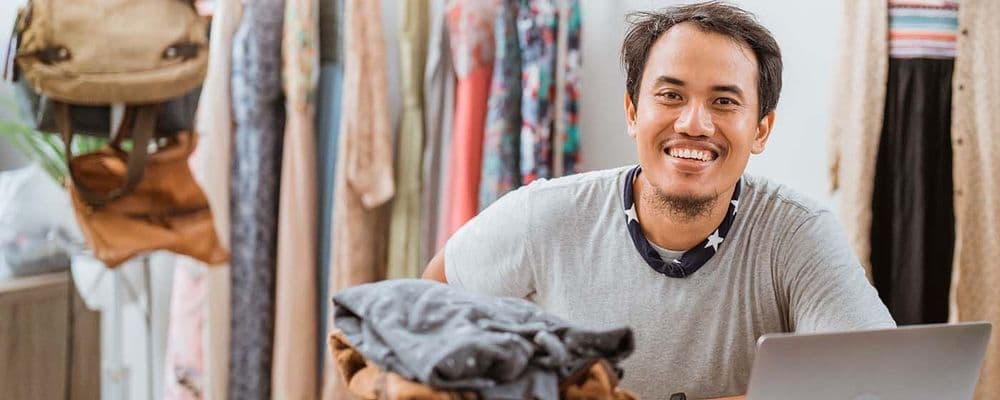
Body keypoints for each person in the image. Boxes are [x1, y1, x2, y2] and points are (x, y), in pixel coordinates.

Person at [423, 2, 895, 399]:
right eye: (670, 95)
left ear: (761, 130)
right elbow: (429, 302)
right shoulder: (546, 215)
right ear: (633, 112)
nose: (694, 123)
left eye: (724, 102)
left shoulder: (798, 233)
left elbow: (880, 382)